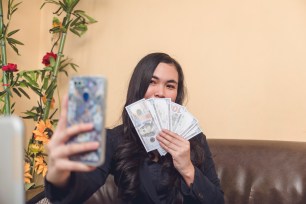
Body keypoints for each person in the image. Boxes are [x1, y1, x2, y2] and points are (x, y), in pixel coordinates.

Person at [45, 52, 224, 204]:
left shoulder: (194, 139)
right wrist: (58, 174)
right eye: (152, 82)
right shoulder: (115, 139)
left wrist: (187, 168)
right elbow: (79, 189)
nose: (160, 92)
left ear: (176, 95)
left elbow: (218, 200)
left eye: (170, 86)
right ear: (138, 88)